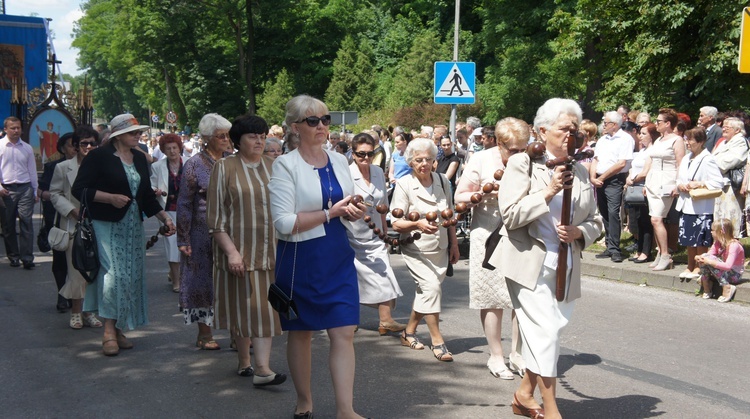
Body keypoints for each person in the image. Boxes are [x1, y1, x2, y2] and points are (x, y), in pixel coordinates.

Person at [490, 98, 603, 419]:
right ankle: (552, 409)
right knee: (545, 333)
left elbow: (596, 220)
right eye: (564, 129)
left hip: (565, 267)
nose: (571, 135)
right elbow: (510, 215)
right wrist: (548, 192)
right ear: (542, 131)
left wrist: (580, 233)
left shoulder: (580, 170)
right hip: (527, 265)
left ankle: (524, 394)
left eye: (575, 130)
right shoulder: (522, 164)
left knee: (550, 332)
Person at [269, 95, 366, 419]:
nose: (322, 126)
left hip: (336, 253)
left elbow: (342, 205)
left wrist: (351, 210)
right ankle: (304, 400)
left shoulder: (339, 159)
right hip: (301, 257)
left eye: (325, 119)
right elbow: (283, 222)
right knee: (302, 332)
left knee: (344, 330)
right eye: (313, 121)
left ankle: (345, 410)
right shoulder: (285, 165)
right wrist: (329, 212)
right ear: (295, 127)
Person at [72, 114, 176, 356]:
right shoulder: (98, 156)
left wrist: (165, 218)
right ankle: (108, 330)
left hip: (132, 226)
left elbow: (146, 197)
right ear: (118, 134)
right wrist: (109, 198)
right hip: (105, 223)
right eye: (132, 133)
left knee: (129, 277)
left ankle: (120, 328)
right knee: (113, 276)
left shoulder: (140, 159)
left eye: (138, 132)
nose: (137, 136)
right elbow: (79, 189)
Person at [207, 114, 285, 385]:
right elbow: (215, 218)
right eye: (253, 136)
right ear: (237, 140)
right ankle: (244, 360)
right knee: (242, 310)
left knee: (265, 311)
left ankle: (262, 369)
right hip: (239, 252)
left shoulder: (274, 166)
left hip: (270, 253)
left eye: (263, 136)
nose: (260, 141)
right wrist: (231, 252)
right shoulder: (224, 168)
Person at [454, 117, 528, 379]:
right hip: (488, 235)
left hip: (521, 233)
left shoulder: (531, 159)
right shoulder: (481, 159)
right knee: (493, 296)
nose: (519, 154)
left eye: (523, 148)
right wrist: (485, 194)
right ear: (498, 143)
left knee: (522, 297)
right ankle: (496, 356)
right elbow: (459, 196)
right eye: (513, 150)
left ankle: (519, 354)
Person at [391, 138, 460, 363]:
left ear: (434, 161)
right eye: (418, 160)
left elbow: (449, 215)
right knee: (431, 289)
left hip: (439, 248)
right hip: (415, 247)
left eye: (428, 159)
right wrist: (416, 224)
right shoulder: (403, 184)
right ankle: (437, 341)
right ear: (411, 162)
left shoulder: (442, 180)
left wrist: (454, 244)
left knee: (426, 293)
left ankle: (408, 332)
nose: (423, 164)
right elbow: (395, 222)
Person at [176, 113, 232, 350]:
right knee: (201, 281)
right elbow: (184, 203)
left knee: (231, 280)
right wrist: (183, 238)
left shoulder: (232, 160)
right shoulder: (194, 164)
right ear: (207, 138)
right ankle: (204, 334)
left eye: (228, 135)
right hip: (200, 232)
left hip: (230, 229)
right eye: (221, 136)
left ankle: (238, 334)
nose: (226, 139)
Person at [346, 132, 405, 335]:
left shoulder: (378, 172)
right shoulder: (346, 174)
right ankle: (349, 320)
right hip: (351, 234)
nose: (366, 158)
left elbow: (382, 206)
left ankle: (386, 320)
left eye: (370, 154)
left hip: (375, 234)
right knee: (352, 279)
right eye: (361, 154)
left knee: (384, 272)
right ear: (353, 154)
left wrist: (384, 235)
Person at [50, 126, 102, 330]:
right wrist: (71, 210)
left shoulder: (102, 166)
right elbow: (54, 193)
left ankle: (90, 312)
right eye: (84, 143)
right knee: (76, 269)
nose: (88, 147)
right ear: (75, 146)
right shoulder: (63, 168)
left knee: (94, 269)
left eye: (92, 143)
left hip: (97, 222)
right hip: (73, 224)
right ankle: (76, 311)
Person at [675, 127, 724, 284]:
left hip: (701, 205)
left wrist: (699, 183)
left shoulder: (707, 158)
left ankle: (699, 266)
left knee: (700, 239)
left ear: (701, 141)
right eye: (686, 140)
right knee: (689, 238)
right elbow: (679, 178)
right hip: (686, 203)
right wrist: (680, 185)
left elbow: (718, 182)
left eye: (691, 140)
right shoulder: (686, 158)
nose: (687, 143)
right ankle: (690, 265)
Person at [642, 108, 685, 272]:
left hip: (666, 181)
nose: (656, 124)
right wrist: (646, 184)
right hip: (653, 180)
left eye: (659, 121)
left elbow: (680, 163)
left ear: (668, 124)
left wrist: (677, 183)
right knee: (654, 218)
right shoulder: (658, 140)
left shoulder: (677, 140)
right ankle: (660, 252)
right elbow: (651, 162)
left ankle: (666, 254)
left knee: (657, 219)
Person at [590, 111, 633, 263]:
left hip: (614, 179)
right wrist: (593, 177)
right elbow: (596, 159)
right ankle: (609, 245)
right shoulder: (603, 140)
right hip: (600, 179)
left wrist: (601, 177)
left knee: (613, 213)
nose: (604, 125)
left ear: (614, 125)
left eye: (606, 123)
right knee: (604, 213)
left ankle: (615, 248)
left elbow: (621, 163)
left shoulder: (625, 139)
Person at [39, 132, 76, 311]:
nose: (75, 149)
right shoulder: (54, 166)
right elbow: (43, 192)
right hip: (58, 217)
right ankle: (62, 294)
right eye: (71, 145)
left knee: (80, 259)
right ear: (62, 148)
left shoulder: (87, 166)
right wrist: (57, 198)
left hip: (80, 219)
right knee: (60, 257)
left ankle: (77, 297)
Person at [150, 134, 186, 293]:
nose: (172, 151)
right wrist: (155, 191)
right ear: (163, 150)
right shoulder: (157, 167)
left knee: (186, 244)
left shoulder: (190, 163)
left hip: (187, 210)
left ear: (180, 148)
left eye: (174, 148)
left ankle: (180, 275)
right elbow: (150, 186)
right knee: (172, 245)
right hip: (168, 210)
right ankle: (177, 281)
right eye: (168, 148)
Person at [1, 117, 38, 269]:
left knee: (26, 222)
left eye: (18, 128)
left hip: (25, 188)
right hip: (6, 190)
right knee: (8, 225)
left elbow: (32, 170)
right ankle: (13, 256)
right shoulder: (1, 146)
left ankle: (27, 258)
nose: (16, 131)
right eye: (13, 128)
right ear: (5, 129)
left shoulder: (27, 148)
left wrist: (35, 190)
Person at [626, 123, 657, 263]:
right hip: (634, 189)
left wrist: (633, 180)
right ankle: (639, 250)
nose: (640, 136)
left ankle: (646, 251)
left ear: (652, 135)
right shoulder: (641, 151)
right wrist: (629, 177)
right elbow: (633, 168)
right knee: (636, 221)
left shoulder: (652, 151)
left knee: (645, 221)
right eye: (641, 133)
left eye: (644, 133)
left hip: (644, 188)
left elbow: (645, 172)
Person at [712, 117, 747, 239]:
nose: (724, 128)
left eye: (728, 126)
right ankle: (721, 243)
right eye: (724, 126)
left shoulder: (740, 141)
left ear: (737, 130)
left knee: (731, 215)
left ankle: (732, 244)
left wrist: (712, 163)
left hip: (732, 185)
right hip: (720, 183)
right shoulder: (722, 142)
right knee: (720, 215)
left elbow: (728, 162)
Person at [696, 219, 744, 302]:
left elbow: (728, 266)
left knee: (709, 260)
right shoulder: (718, 243)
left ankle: (727, 287)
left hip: (734, 274)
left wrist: (709, 261)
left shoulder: (734, 245)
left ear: (721, 231)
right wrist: (699, 257)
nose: (711, 232)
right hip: (725, 272)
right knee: (704, 257)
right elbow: (709, 255)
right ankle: (707, 285)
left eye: (713, 230)